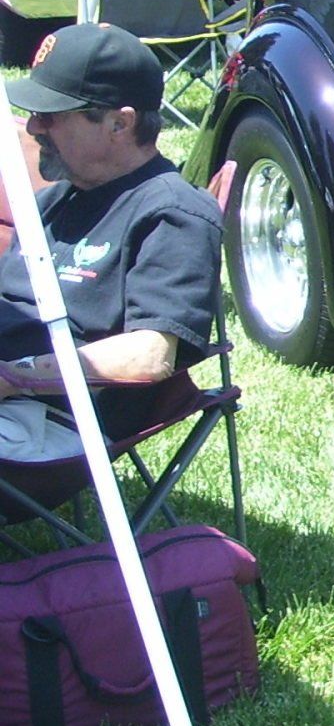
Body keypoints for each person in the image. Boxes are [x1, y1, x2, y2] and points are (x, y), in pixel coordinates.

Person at [0, 25, 222, 463]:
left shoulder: (172, 213)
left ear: (120, 123)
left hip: (51, 417)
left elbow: (149, 354)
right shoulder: (60, 197)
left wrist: (13, 377)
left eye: (52, 115)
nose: (34, 127)